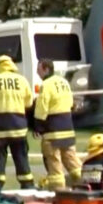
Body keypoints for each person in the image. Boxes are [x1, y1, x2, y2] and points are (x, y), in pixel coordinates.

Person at [0, 54, 35, 191]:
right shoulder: (22, 80)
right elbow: (29, 102)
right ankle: (27, 184)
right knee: (21, 156)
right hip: (18, 125)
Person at [34, 60, 81, 190]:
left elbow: (42, 106)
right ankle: (84, 184)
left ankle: (58, 191)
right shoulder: (64, 82)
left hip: (52, 130)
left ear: (46, 69)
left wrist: (38, 126)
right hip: (68, 127)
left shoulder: (46, 84)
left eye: (39, 69)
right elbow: (71, 102)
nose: (37, 72)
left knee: (54, 163)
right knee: (72, 160)